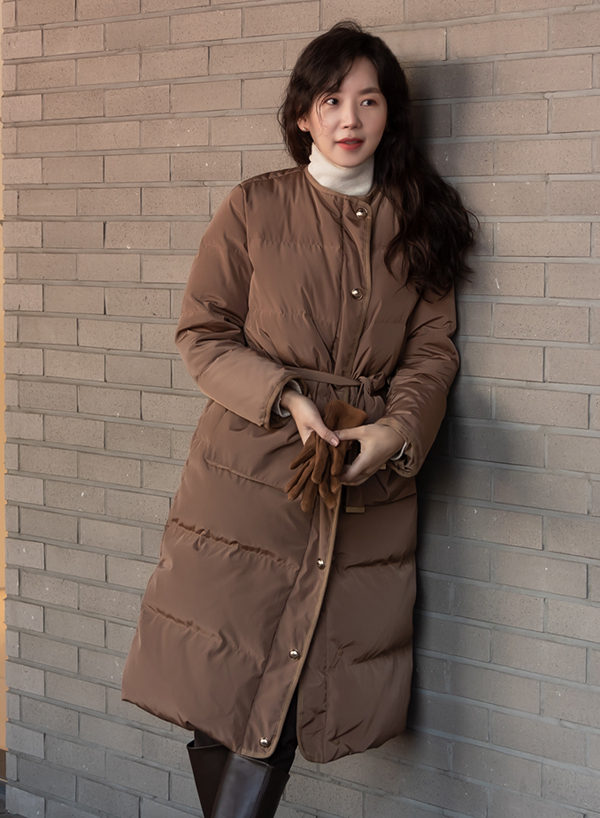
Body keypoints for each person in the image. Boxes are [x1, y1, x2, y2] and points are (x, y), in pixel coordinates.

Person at [121, 20, 476, 818]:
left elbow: (433, 353)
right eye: (332, 100)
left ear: (391, 114)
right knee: (224, 686)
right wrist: (285, 394)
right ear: (302, 115)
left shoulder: (422, 221)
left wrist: (395, 433)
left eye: (369, 100)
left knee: (285, 691)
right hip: (247, 482)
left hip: (360, 478)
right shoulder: (255, 206)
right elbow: (202, 332)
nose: (351, 118)